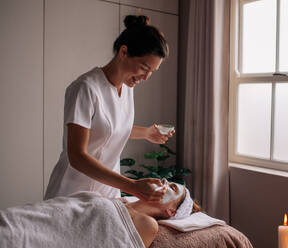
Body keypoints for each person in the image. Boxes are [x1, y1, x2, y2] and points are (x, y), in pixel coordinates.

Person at [45, 15, 174, 202]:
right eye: (144, 68)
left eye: (151, 72)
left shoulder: (127, 88)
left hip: (107, 197)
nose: (145, 78)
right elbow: (77, 156)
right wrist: (132, 186)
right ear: (124, 52)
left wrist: (147, 133)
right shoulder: (86, 88)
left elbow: (109, 129)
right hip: (72, 195)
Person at [0, 181, 199, 248]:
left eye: (171, 188)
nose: (163, 183)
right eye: (166, 180)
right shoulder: (117, 199)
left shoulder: (147, 224)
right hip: (25, 218)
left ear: (171, 211)